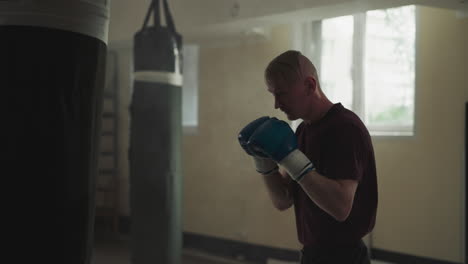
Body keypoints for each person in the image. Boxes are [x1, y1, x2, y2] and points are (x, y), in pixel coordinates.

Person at [238, 50, 378, 264]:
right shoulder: (303, 130)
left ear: (310, 86)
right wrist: (264, 162)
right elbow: (283, 200)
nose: (276, 104)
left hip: (344, 257)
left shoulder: (346, 128)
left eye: (282, 93)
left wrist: (291, 159)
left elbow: (340, 208)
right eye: (272, 94)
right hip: (312, 254)